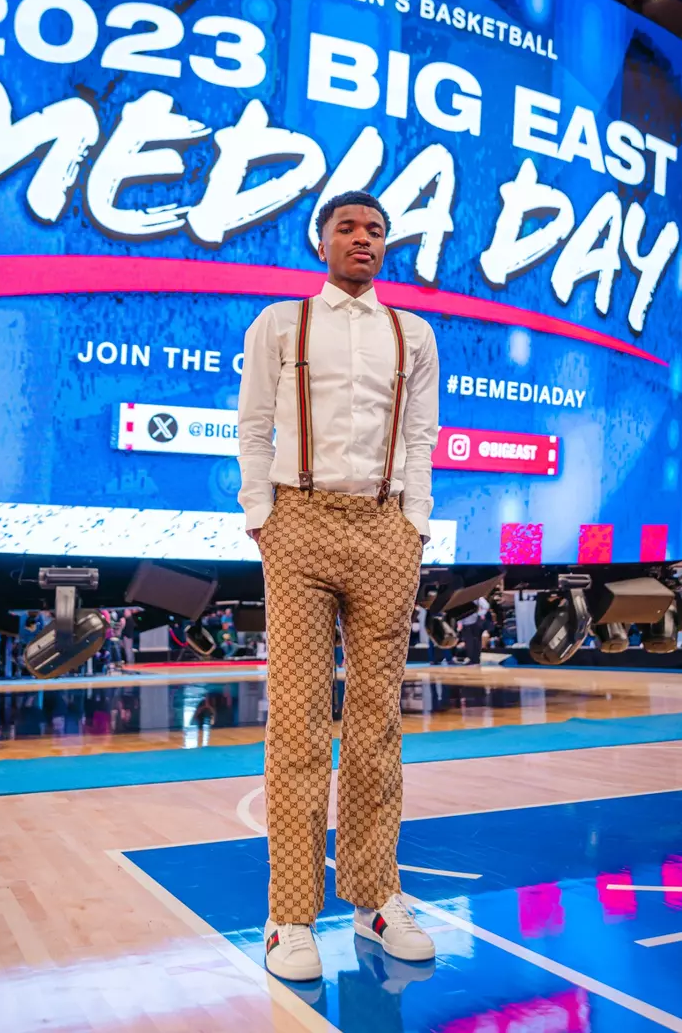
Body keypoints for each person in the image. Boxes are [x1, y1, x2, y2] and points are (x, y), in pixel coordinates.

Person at [238, 190, 439, 981]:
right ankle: (289, 916)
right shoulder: (280, 324)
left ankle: (375, 896)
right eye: (348, 228)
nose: (363, 239)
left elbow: (420, 434)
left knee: (376, 727)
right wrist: (262, 513)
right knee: (294, 723)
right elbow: (253, 424)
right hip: (299, 524)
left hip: (385, 529)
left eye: (376, 231)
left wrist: (415, 521)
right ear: (322, 240)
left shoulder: (412, 333)